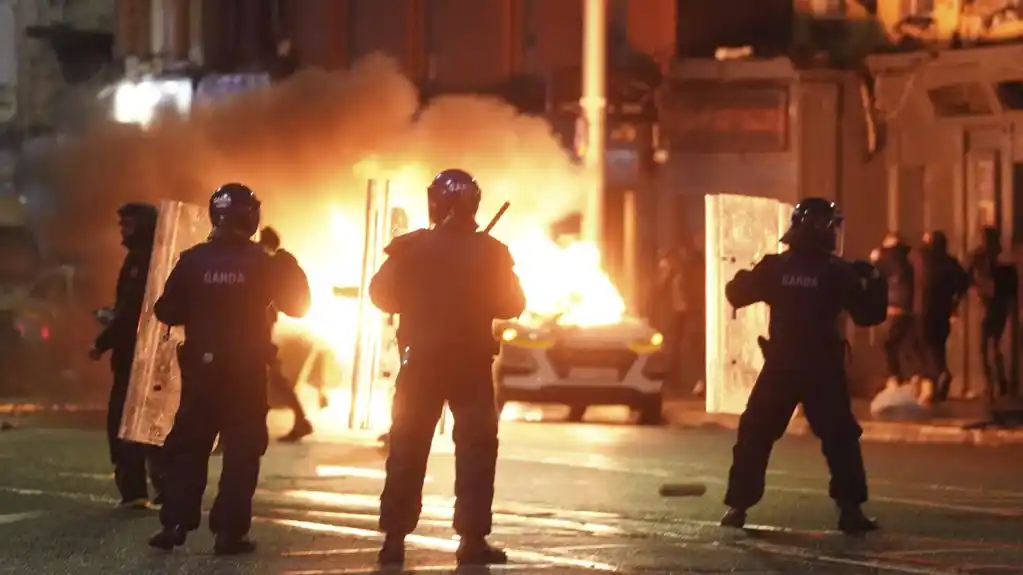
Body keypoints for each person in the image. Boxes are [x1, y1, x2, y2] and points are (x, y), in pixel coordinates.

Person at [369, 169, 525, 566]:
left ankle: (394, 540)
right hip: (470, 365)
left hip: (419, 363)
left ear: (436, 202)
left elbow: (381, 295)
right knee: (476, 450)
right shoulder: (491, 252)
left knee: (407, 446)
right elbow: (513, 305)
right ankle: (472, 539)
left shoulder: (411, 248)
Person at [147, 183, 311, 555]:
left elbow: (166, 311)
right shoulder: (264, 261)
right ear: (250, 217)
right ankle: (229, 533)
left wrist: (201, 307)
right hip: (246, 374)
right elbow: (299, 306)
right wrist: (288, 264)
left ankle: (174, 523)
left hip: (201, 373)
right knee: (241, 453)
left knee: (188, 447)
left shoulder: (192, 260)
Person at [720, 197, 886, 535]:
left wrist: (750, 273)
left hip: (781, 365)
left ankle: (738, 507)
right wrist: (876, 280)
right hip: (822, 369)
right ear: (824, 229)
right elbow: (870, 315)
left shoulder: (776, 268)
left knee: (755, 433)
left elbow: (736, 293)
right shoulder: (837, 273)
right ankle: (850, 511)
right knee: (840, 439)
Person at [88, 202, 165, 509]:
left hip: (136, 357)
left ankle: (134, 490)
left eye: (128, 224)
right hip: (151, 356)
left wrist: (102, 341)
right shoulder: (158, 257)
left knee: (125, 423)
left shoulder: (141, 260)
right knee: (151, 423)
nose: (122, 230)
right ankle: (165, 489)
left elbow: (132, 312)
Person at [257, 226, 314, 443]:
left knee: (245, 380)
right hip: (260, 331)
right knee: (273, 377)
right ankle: (301, 420)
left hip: (255, 331)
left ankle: (230, 437)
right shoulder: (273, 264)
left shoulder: (265, 263)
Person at [910, 231, 968, 403]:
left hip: (922, 309)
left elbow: (908, 258)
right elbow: (963, 283)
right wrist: (954, 304)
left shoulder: (920, 256)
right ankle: (935, 387)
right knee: (938, 347)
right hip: (943, 312)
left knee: (922, 347)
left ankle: (938, 376)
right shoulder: (950, 263)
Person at [870, 231, 924, 390]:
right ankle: (916, 376)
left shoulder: (887, 257)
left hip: (895, 306)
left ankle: (895, 378)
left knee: (887, 343)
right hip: (911, 306)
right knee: (907, 344)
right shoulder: (911, 257)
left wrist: (875, 259)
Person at [967, 227, 1015, 401]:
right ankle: (1000, 384)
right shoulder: (1003, 258)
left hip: (985, 305)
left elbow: (967, 278)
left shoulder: (977, 258)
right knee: (994, 345)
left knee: (983, 347)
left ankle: (990, 385)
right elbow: (1012, 286)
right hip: (999, 305)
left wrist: (974, 291)